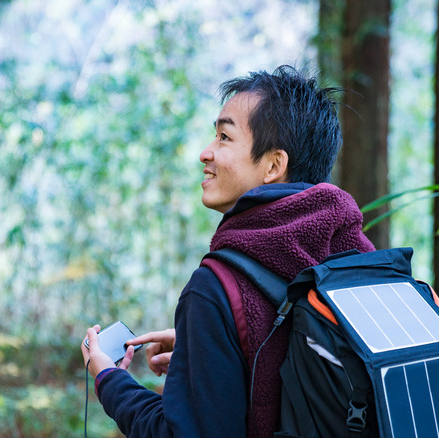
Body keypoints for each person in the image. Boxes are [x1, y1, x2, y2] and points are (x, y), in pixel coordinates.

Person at [81, 65, 375, 437]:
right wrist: (209, 347)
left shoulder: (215, 288)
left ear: (273, 165)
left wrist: (109, 379)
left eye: (224, 137)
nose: (206, 153)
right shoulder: (355, 257)